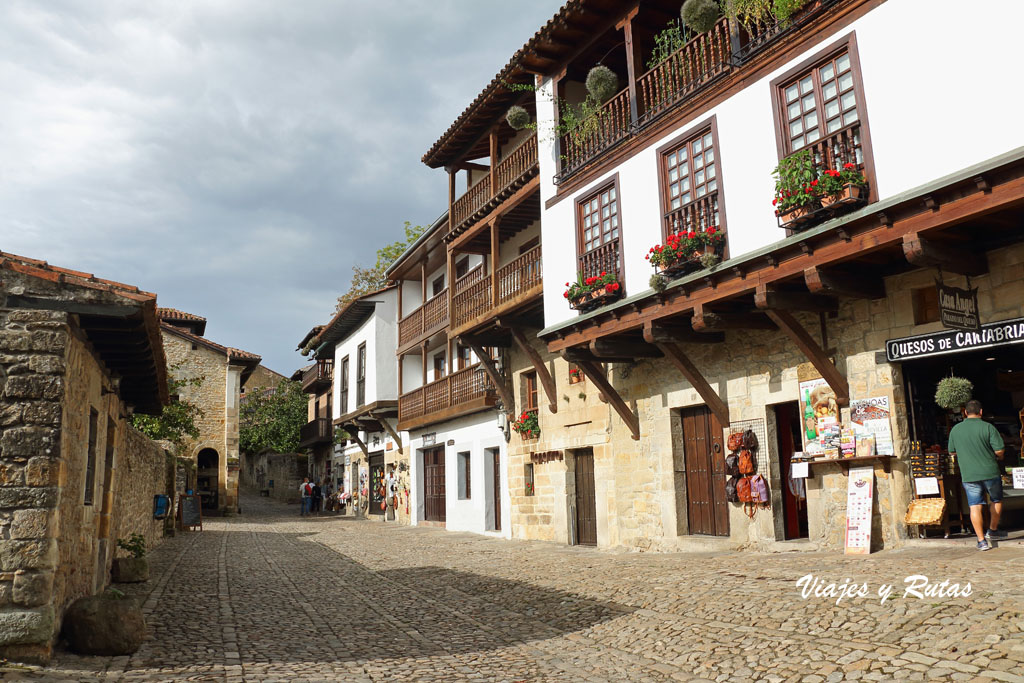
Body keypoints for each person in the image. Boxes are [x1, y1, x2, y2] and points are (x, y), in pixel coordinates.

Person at [947, 399, 1006, 551]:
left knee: (974, 506)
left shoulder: (956, 430)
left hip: (969, 474)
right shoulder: (988, 427)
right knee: (996, 500)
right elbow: (999, 450)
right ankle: (992, 530)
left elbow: (951, 451)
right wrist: (997, 456)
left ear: (965, 413)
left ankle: (981, 541)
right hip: (990, 471)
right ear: (980, 412)